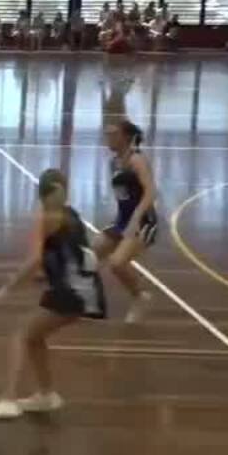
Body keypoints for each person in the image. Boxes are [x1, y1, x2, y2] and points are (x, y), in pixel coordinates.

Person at [0, 169, 106, 421]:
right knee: (34, 337)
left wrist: (9, 286)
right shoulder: (72, 214)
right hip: (83, 289)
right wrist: (48, 274)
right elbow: (75, 254)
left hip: (72, 291)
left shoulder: (46, 218)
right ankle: (47, 394)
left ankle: (8, 399)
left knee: (21, 334)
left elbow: (34, 260)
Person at [94, 120, 156, 323]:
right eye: (107, 134)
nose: (108, 139)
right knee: (91, 251)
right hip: (122, 221)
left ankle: (140, 297)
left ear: (126, 137)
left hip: (143, 223)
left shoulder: (136, 160)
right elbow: (124, 196)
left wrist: (135, 220)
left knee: (117, 263)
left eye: (113, 134)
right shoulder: (114, 162)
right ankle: (85, 298)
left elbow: (150, 193)